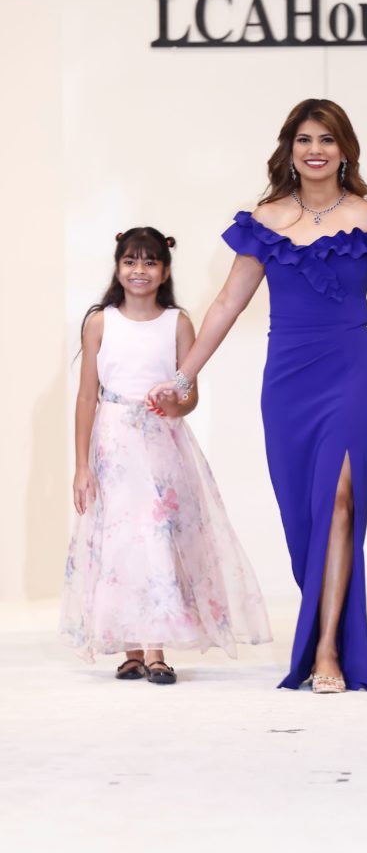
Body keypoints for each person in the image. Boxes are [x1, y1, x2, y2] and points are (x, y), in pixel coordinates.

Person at [148, 98, 367, 694]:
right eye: (304, 139)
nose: (315, 150)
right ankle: (323, 631)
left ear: (344, 148)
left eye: (326, 140)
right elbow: (227, 305)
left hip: (352, 373)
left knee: (339, 503)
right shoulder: (265, 220)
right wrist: (183, 378)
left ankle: (329, 651)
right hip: (287, 382)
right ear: (289, 148)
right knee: (304, 521)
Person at [60, 227, 271, 683]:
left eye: (150, 262)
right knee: (120, 539)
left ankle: (157, 650)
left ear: (165, 270)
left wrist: (176, 403)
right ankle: (131, 650)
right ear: (118, 268)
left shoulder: (177, 322)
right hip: (113, 444)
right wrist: (81, 466)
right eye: (131, 262)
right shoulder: (101, 321)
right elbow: (85, 397)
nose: (140, 271)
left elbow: (188, 393)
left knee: (157, 536)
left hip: (161, 443)